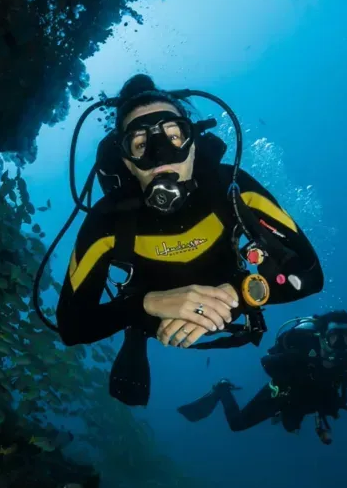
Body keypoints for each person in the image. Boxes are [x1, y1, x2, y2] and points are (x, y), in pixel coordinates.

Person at [52, 74, 325, 405]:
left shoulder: (232, 188)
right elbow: (72, 326)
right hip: (151, 317)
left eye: (173, 136)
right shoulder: (107, 220)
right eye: (140, 144)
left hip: (232, 299)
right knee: (136, 322)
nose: (160, 155)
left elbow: (310, 275)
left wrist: (239, 294)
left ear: (193, 143)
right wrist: (146, 305)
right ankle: (136, 332)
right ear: (127, 162)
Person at [178, 311, 347, 445]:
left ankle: (286, 416)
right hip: (280, 394)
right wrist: (297, 364)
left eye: (346, 339)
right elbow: (266, 362)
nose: (341, 344)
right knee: (237, 424)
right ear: (322, 336)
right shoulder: (302, 350)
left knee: (290, 426)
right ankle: (222, 388)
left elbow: (340, 390)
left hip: (305, 401)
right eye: (335, 337)